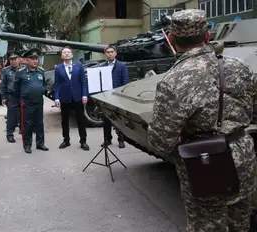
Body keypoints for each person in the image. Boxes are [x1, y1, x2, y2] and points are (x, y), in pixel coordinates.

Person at [147, 9, 256, 231]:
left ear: (171, 40)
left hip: (205, 164)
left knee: (207, 226)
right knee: (240, 224)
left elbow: (160, 141)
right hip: (244, 157)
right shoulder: (239, 67)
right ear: (208, 36)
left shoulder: (174, 81)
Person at [54, 46, 89, 151]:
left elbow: (83, 82)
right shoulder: (58, 68)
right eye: (64, 52)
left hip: (78, 97)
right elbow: (57, 84)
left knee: (80, 120)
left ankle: (83, 141)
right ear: (61, 56)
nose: (67, 54)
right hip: (65, 98)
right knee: (65, 121)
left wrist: (84, 95)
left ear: (72, 54)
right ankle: (66, 140)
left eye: (69, 52)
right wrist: (56, 98)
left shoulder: (79, 66)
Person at [14, 48, 49, 154]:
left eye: (36, 59)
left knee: (39, 123)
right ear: (27, 60)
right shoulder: (21, 73)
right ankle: (27, 145)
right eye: (32, 59)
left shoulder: (40, 71)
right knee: (27, 124)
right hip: (26, 102)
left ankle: (40, 143)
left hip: (39, 101)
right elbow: (16, 88)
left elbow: (43, 85)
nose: (35, 61)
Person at [100, 45, 129, 149]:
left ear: (115, 53)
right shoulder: (102, 66)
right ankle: (107, 139)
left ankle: (121, 139)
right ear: (105, 54)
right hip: (106, 96)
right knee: (106, 119)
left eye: (112, 51)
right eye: (108, 52)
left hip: (118, 97)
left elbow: (125, 82)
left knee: (119, 119)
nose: (110, 53)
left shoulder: (122, 66)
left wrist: (123, 96)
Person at [1, 50, 21, 143]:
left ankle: (24, 131)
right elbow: (3, 85)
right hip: (11, 97)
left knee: (23, 115)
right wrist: (4, 97)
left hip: (22, 96)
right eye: (11, 59)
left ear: (19, 59)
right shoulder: (6, 71)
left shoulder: (24, 69)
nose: (13, 61)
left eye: (15, 59)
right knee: (11, 117)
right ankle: (9, 134)